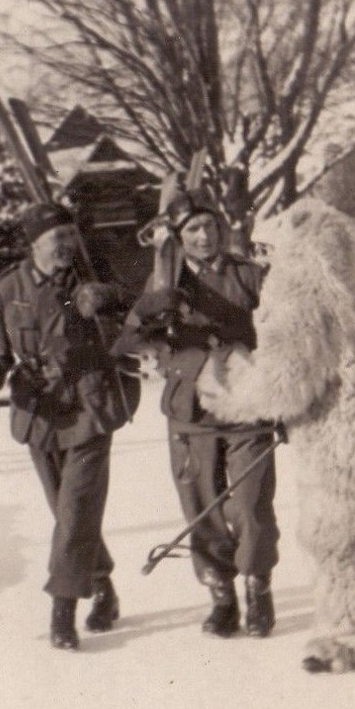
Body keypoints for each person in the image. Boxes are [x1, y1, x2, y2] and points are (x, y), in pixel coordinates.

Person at [0, 202, 139, 651]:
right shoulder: (7, 289)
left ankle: (63, 609)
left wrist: (109, 303)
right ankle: (103, 587)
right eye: (55, 238)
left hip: (89, 405)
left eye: (69, 235)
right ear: (34, 243)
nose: (65, 245)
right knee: (66, 511)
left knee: (76, 509)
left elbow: (135, 320)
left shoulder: (90, 278)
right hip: (38, 411)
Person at [116, 192, 280, 639]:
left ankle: (257, 587)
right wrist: (148, 314)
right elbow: (127, 344)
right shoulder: (162, 279)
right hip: (191, 410)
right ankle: (221, 596)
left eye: (210, 226)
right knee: (201, 503)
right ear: (178, 236)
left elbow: (284, 329)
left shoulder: (250, 276)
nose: (204, 236)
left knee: (251, 503)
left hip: (248, 405)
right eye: (193, 229)